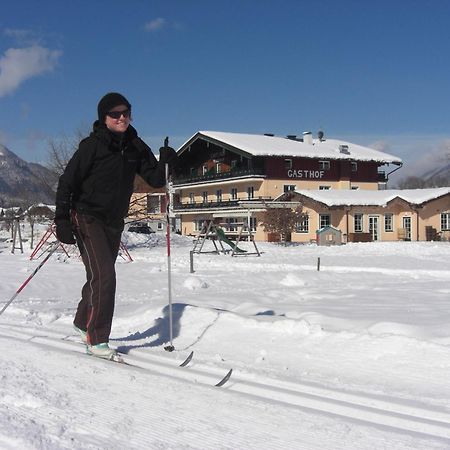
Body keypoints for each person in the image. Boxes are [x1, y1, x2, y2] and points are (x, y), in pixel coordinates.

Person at [55, 92, 178, 360]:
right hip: (87, 216)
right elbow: (67, 182)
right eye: (115, 114)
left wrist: (167, 160)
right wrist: (62, 219)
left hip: (113, 220)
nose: (122, 117)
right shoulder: (92, 146)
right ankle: (97, 338)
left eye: (126, 112)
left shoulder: (135, 145)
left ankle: (80, 321)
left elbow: (155, 177)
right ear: (104, 118)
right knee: (106, 276)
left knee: (98, 276)